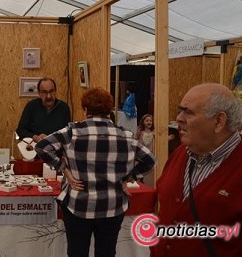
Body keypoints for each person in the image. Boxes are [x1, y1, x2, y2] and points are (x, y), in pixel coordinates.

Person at [35, 87, 156, 257]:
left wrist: (64, 169)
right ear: (109, 110)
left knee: (77, 252)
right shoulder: (126, 136)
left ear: (85, 110)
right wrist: (128, 178)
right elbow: (150, 160)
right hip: (113, 206)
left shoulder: (71, 132)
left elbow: (41, 147)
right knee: (106, 253)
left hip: (78, 206)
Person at [153, 83, 242, 256]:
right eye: (180, 110)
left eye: (188, 112)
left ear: (219, 121)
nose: (179, 119)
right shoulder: (180, 154)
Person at [16, 77, 71, 143]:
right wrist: (35, 137)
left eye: (51, 91)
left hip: (56, 148)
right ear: (39, 93)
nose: (49, 96)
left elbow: (68, 132)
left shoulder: (63, 107)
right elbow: (20, 130)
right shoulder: (31, 106)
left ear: (55, 91)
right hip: (35, 148)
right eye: (45, 92)